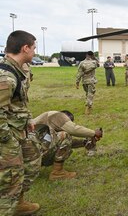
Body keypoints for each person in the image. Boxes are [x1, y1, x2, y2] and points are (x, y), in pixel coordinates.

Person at [0, 30, 40, 215]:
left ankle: (19, 202)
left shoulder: (17, 70)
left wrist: (27, 119)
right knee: (10, 179)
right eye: (34, 48)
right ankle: (8, 208)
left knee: (32, 160)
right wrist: (8, 139)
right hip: (7, 136)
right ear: (25, 48)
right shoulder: (6, 77)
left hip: (19, 128)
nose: (35, 52)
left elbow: (19, 102)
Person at [32, 110, 103, 180]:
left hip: (28, 158)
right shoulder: (57, 115)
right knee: (65, 135)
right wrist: (94, 133)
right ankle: (58, 172)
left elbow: (61, 143)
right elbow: (73, 129)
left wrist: (84, 142)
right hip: (34, 154)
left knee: (63, 138)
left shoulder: (46, 122)